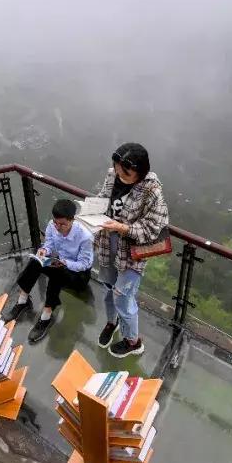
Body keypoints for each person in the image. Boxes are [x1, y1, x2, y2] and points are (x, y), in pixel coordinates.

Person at [91, 142, 169, 358]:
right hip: (108, 244)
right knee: (108, 288)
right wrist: (90, 211)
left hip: (133, 252)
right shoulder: (112, 174)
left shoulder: (151, 190)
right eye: (118, 169)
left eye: (126, 173)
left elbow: (156, 226)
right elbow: (104, 198)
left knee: (123, 296)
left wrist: (124, 228)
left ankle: (133, 341)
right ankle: (111, 322)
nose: (120, 175)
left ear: (141, 172)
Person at [2, 199, 94, 343]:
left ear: (72, 220)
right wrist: (44, 250)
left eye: (62, 224)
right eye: (56, 223)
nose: (58, 227)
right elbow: (49, 244)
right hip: (61, 265)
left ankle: (46, 316)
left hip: (78, 276)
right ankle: (23, 301)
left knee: (57, 272)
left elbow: (85, 264)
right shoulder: (53, 225)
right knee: (36, 261)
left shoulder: (85, 237)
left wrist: (65, 263)